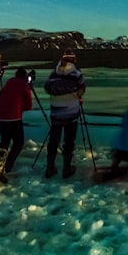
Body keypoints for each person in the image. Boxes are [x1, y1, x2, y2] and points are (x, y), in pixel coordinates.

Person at [43, 50, 86, 179]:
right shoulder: (76, 74)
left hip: (56, 112)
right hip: (71, 113)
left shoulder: (53, 74)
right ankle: (66, 168)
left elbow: (47, 88)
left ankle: (50, 167)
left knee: (53, 140)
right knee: (69, 141)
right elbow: (81, 90)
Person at [0, 67, 34, 175]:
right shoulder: (24, 85)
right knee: (18, 143)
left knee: (5, 140)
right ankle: (8, 166)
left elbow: (1, 97)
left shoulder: (8, 83)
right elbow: (29, 105)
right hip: (13, 118)